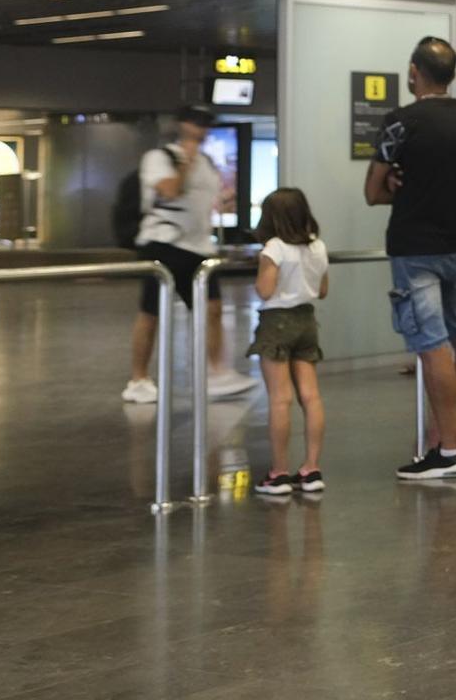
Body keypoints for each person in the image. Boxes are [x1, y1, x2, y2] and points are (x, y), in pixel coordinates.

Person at [367, 36, 456, 480]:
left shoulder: (401, 122)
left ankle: (449, 449)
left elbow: (372, 191)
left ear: (415, 71)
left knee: (432, 345)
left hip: (416, 248)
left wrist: (399, 185)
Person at [122, 105, 255, 404]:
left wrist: (224, 200)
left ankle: (216, 372)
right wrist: (186, 160)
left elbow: (208, 199)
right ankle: (138, 378)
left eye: (206, 123)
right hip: (163, 244)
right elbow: (171, 191)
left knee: (213, 308)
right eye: (196, 122)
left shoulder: (206, 162)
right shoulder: (159, 158)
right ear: (182, 124)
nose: (202, 129)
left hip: (197, 248)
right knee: (151, 313)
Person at [248, 188, 329, 497]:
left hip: (277, 323)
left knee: (280, 399)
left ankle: (279, 473)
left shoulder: (274, 248)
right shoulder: (318, 247)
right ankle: (311, 469)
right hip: (307, 321)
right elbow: (322, 290)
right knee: (311, 397)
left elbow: (265, 290)